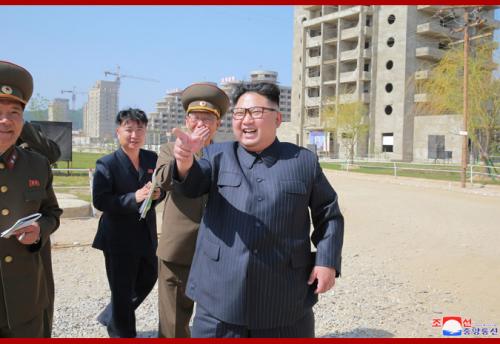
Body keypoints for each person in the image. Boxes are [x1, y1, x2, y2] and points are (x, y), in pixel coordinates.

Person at [171, 82, 344, 338]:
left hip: (284, 300)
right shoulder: (217, 155)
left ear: (278, 118)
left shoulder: (303, 161)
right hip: (220, 296)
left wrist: (326, 261)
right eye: (239, 113)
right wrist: (184, 161)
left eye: (255, 112)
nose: (245, 120)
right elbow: (192, 184)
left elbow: (329, 214)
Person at [155, 83, 229, 338]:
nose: (201, 123)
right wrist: (182, 159)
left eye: (208, 118)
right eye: (196, 117)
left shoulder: (227, 155)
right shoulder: (170, 150)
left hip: (219, 250)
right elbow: (162, 179)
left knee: (217, 322)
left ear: (218, 124)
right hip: (179, 249)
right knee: (173, 323)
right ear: (186, 120)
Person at [0, 60, 62, 337]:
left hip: (25, 300)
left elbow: (51, 212)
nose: (6, 120)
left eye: (14, 112)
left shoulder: (36, 165)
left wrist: (40, 230)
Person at [92, 108, 165, 338]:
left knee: (150, 276)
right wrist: (133, 198)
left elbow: (160, 191)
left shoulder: (151, 159)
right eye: (129, 129)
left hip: (146, 234)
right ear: (118, 132)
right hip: (117, 237)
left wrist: (157, 194)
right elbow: (101, 201)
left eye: (139, 129)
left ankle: (112, 316)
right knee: (122, 290)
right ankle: (123, 333)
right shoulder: (107, 163)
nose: (134, 135)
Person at [16, 121, 61, 338]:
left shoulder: (26, 130)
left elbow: (52, 153)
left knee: (40, 300)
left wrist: (20, 125)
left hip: (31, 237)